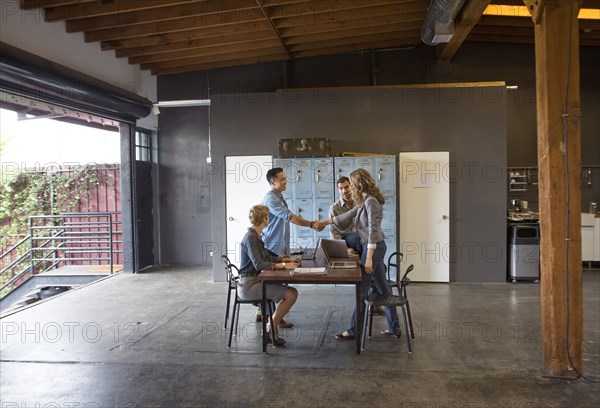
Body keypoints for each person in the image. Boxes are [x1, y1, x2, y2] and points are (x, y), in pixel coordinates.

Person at [321, 168, 401, 340]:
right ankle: (395, 327)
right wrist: (325, 222)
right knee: (383, 288)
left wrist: (369, 259)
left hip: (374, 248)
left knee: (362, 291)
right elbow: (348, 215)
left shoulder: (371, 201)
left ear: (358, 183)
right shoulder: (364, 200)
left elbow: (372, 230)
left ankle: (353, 330)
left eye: (351, 183)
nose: (349, 188)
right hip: (373, 247)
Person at [257, 167, 324, 325]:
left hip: (277, 247)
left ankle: (271, 316)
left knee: (279, 283)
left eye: (285, 178)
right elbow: (290, 218)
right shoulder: (271, 198)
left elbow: (289, 218)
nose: (285, 181)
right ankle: (271, 320)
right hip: (270, 247)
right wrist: (311, 224)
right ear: (272, 182)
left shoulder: (278, 196)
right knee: (274, 285)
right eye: (281, 179)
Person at [238, 205, 299, 346]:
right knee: (291, 294)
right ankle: (269, 330)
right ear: (265, 219)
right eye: (268, 216)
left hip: (255, 281)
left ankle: (271, 330)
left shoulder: (255, 236)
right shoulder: (251, 238)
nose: (269, 218)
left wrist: (284, 260)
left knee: (283, 290)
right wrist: (284, 266)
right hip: (249, 286)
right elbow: (259, 264)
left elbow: (265, 256)